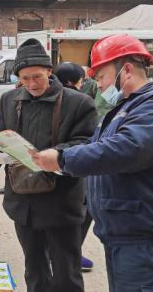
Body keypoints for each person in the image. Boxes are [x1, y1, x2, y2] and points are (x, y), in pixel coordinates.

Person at [30, 34, 153, 292]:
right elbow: (94, 145)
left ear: (126, 70)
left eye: (101, 77)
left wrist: (62, 159)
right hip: (126, 236)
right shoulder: (124, 109)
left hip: (151, 240)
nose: (98, 86)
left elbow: (125, 150)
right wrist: (54, 155)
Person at [0, 39, 97, 292]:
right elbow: (1, 135)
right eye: (25, 78)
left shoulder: (79, 103)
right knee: (34, 269)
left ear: (49, 71)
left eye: (37, 77)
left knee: (66, 272)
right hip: (23, 202)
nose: (32, 84)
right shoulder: (9, 100)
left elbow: (86, 144)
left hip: (61, 201)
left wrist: (57, 154)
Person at [54, 62, 96, 273]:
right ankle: (71, 254)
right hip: (70, 164)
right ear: (72, 82)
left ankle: (61, 254)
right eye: (81, 80)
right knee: (83, 210)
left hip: (49, 166)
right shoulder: (81, 102)